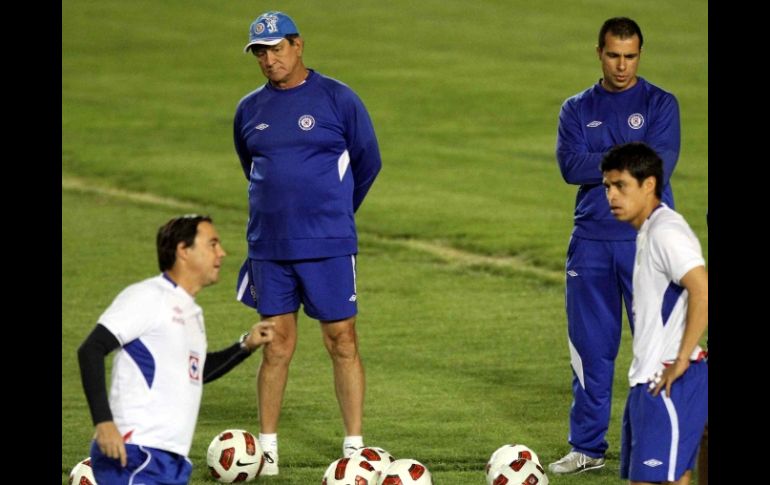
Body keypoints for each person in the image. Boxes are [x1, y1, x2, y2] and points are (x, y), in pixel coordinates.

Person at [233, 11, 382, 476]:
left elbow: (368, 161)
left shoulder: (338, 99)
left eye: (277, 49)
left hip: (328, 246)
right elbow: (251, 168)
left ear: (298, 46)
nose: (269, 59)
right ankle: (267, 449)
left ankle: (354, 446)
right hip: (269, 247)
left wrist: (335, 213)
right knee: (275, 345)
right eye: (261, 52)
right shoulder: (248, 109)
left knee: (342, 340)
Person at [550, 17, 681, 475]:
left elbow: (658, 164)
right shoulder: (575, 108)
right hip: (590, 242)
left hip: (647, 242)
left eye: (630, 56)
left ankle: (658, 443)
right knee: (590, 349)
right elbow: (570, 165)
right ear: (599, 53)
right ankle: (587, 447)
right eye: (613, 55)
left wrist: (601, 158)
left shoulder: (662, 103)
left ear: (639, 55)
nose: (622, 66)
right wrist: (629, 155)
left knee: (657, 348)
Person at [77, 215, 275, 485]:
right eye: (212, 244)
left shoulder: (192, 313)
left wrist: (245, 346)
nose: (222, 253)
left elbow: (196, 372)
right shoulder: (148, 296)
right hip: (135, 451)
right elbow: (91, 349)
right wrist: (104, 423)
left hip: (170, 459)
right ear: (184, 250)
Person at [601, 142, 707, 485]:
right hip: (648, 379)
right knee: (655, 479)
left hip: (668, 378)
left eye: (621, 186)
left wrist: (680, 360)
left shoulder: (666, 231)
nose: (612, 196)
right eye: (607, 187)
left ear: (648, 184)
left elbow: (702, 288)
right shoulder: (648, 232)